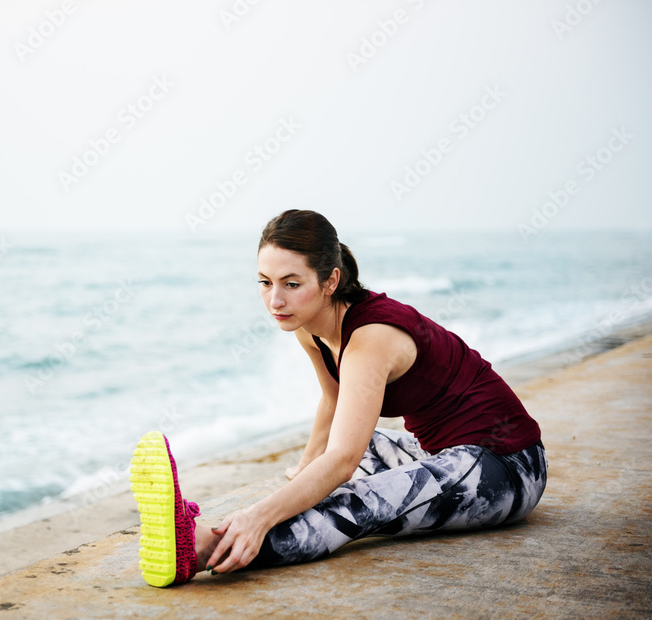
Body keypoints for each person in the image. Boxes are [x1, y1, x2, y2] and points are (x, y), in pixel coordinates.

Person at [129, 209, 547, 587]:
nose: (275, 300)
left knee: (361, 501)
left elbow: (344, 458)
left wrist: (262, 515)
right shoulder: (309, 325)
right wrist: (299, 478)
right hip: (438, 452)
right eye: (265, 283)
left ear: (330, 280)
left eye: (292, 284)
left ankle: (202, 549)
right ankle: (217, 531)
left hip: (506, 465)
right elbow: (332, 400)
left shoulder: (370, 338)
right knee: (321, 476)